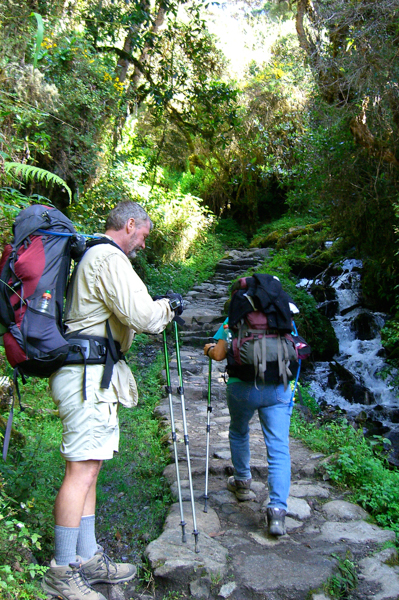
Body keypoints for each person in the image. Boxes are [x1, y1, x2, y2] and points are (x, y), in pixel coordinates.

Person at [42, 201, 182, 600]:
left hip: (91, 376)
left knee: (91, 467)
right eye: (143, 235)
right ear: (131, 224)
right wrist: (168, 307)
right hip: (87, 377)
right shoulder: (109, 257)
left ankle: (86, 558)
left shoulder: (93, 254)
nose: (143, 243)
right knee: (81, 471)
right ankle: (63, 571)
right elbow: (144, 317)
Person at [203, 278, 296, 537]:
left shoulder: (235, 314)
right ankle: (277, 513)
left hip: (242, 386)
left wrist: (209, 349)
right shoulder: (281, 310)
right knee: (278, 448)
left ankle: (243, 482)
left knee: (239, 431)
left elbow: (220, 354)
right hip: (278, 385)